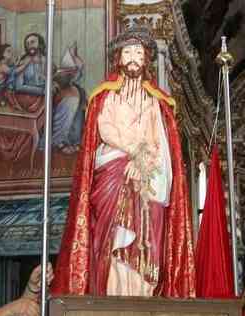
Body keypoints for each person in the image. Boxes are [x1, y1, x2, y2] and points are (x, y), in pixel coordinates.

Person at [51, 26, 195, 297]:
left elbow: (158, 140)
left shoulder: (157, 102)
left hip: (147, 174)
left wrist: (142, 160)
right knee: (111, 231)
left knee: (148, 229)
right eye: (127, 52)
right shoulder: (105, 97)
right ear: (119, 58)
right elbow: (105, 130)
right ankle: (112, 290)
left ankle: (143, 290)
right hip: (112, 168)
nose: (132, 57)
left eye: (138, 52)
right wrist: (133, 151)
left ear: (146, 59)